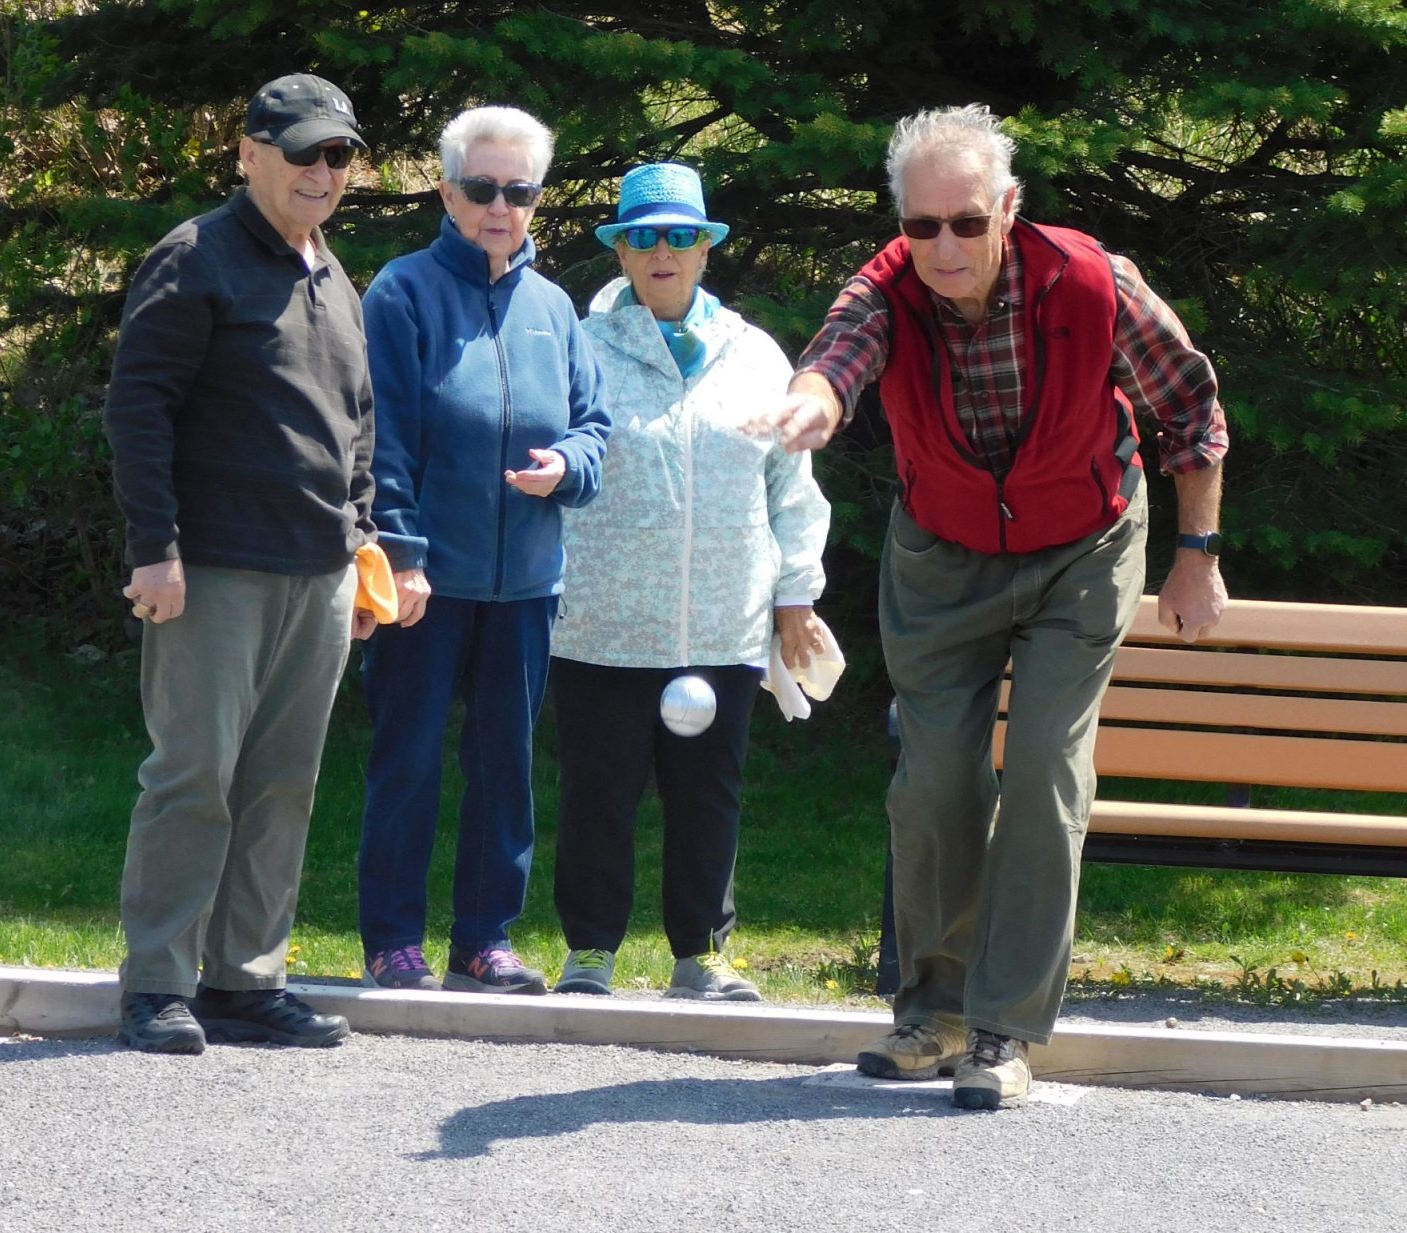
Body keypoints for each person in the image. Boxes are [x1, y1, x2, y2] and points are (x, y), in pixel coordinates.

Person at [769, 104, 1229, 1109]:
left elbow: (1191, 409)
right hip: (942, 551)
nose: (942, 247)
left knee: (1042, 775)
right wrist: (813, 400)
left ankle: (1004, 1032)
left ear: (1006, 211)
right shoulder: (885, 290)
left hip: (1085, 538)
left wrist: (1193, 554)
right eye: (920, 226)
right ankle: (930, 1016)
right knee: (933, 781)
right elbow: (838, 353)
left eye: (965, 223)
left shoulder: (1093, 282)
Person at [103, 73, 376, 1054]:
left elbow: (355, 424)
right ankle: (156, 986)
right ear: (249, 154)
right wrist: (155, 550)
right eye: (301, 151)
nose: (320, 171)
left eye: (338, 154)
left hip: (319, 576)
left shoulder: (331, 272)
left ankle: (247, 982)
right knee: (194, 777)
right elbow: (138, 410)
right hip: (211, 571)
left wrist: (361, 542)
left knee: (282, 784)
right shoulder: (197, 257)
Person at [548, 164, 830, 1002]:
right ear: (621, 252)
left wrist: (795, 598)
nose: (661, 252)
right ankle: (590, 951)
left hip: (721, 624)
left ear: (706, 248)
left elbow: (793, 490)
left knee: (708, 797)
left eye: (680, 235)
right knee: (598, 794)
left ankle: (700, 953)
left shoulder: (755, 355)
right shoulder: (582, 347)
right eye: (642, 236)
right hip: (601, 622)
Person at [355, 105, 610, 995]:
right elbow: (380, 440)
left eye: (520, 190)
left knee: (506, 768)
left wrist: (566, 466)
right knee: (409, 760)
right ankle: (392, 937)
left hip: (528, 583)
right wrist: (404, 553)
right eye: (481, 188)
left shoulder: (554, 306)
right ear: (446, 190)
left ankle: (484, 938)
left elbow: (594, 428)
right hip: (428, 579)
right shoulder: (401, 292)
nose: (501, 206)